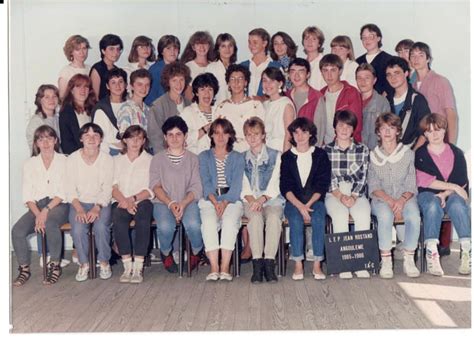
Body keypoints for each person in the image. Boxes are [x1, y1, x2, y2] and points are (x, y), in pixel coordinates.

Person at [12, 126, 69, 286]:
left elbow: (63, 192)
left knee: (50, 223)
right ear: (36, 143)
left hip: (59, 204)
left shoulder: (64, 160)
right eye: (41, 139)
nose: (45, 142)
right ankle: (24, 269)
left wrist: (45, 212)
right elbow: (28, 195)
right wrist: (38, 214)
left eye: (49, 138)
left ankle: (55, 266)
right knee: (17, 231)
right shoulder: (29, 164)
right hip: (37, 207)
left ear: (55, 141)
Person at [415, 113, 471, 276]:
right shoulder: (420, 154)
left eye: (438, 130)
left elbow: (462, 182)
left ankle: (467, 251)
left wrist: (445, 194)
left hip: (450, 194)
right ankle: (432, 253)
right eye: (430, 131)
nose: (435, 134)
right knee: (432, 206)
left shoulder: (457, 153)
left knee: (458, 204)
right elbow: (426, 181)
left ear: (444, 131)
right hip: (427, 194)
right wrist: (452, 187)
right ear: (425, 134)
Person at [368, 113, 421, 278]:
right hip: (382, 198)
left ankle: (409, 258)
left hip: (405, 197)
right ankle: (386, 261)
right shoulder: (373, 155)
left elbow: (411, 183)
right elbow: (374, 185)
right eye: (383, 128)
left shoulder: (407, 153)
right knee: (384, 216)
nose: (387, 132)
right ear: (378, 132)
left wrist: (401, 201)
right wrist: (390, 201)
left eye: (391, 128)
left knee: (414, 216)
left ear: (398, 131)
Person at [150, 116, 204, 273]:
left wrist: (183, 203)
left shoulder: (193, 159)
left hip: (188, 202)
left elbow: (196, 186)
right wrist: (171, 203)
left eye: (178, 134)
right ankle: (166, 252)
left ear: (185, 136)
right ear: (165, 137)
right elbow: (155, 186)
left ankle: (196, 251)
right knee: (166, 226)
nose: (174, 138)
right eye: (170, 134)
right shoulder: (157, 159)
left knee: (194, 225)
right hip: (163, 203)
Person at [280, 117, 331, 280]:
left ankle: (317, 264)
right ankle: (298, 264)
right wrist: (299, 206)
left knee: (318, 219)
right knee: (295, 220)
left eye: (304, 132)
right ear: (292, 135)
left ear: (311, 134)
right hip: (293, 201)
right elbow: (285, 186)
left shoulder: (320, 155)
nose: (300, 136)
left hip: (314, 201)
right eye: (296, 132)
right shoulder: (287, 157)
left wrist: (307, 205)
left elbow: (322, 184)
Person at [324, 110, 371, 279]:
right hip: (333, 193)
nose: (344, 129)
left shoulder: (362, 150)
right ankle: (342, 264)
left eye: (348, 126)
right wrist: (339, 195)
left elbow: (363, 176)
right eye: (340, 125)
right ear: (334, 127)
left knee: (363, 215)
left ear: (353, 129)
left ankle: (360, 264)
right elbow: (325, 177)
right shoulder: (325, 150)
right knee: (339, 215)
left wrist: (353, 196)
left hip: (356, 193)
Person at [66, 123, 114, 282]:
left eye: (96, 135)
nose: (91, 139)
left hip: (101, 203)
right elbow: (69, 188)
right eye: (87, 135)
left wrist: (97, 207)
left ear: (101, 139)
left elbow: (107, 188)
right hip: (78, 203)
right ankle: (84, 263)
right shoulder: (72, 159)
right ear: (81, 138)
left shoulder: (107, 159)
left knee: (101, 227)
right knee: (78, 228)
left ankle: (104, 261)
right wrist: (79, 209)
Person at [198, 118, 244, 281]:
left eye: (224, 132)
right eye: (216, 132)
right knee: (209, 222)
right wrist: (215, 201)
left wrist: (224, 202)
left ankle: (225, 267)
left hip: (231, 199)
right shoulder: (203, 156)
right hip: (210, 199)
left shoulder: (238, 157)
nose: (220, 137)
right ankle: (214, 267)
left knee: (230, 222)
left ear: (230, 135)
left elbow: (237, 185)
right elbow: (205, 181)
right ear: (211, 135)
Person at [242, 117, 284, 283]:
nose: (252, 138)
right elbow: (243, 184)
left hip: (271, 199)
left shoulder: (276, 156)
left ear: (263, 135)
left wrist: (262, 199)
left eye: (256, 134)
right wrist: (253, 201)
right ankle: (257, 264)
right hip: (250, 201)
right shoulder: (241, 157)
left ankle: (269, 262)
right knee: (255, 219)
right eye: (249, 134)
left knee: (274, 218)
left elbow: (276, 182)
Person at [112, 125, 153, 283]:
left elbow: (151, 188)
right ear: (124, 140)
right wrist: (124, 200)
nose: (135, 142)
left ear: (143, 141)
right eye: (131, 138)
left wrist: (133, 199)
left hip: (142, 200)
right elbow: (113, 186)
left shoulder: (150, 160)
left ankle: (138, 267)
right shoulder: (116, 161)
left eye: (139, 138)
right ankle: (127, 265)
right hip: (121, 200)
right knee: (118, 217)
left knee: (143, 219)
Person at [410, 42, 458, 143]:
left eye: (421, 55)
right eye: (413, 55)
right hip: (420, 138)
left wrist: (452, 145)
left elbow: (451, 114)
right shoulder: (411, 86)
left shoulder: (440, 81)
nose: (416, 59)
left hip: (438, 137)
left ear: (428, 59)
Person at [215, 64, 265, 152]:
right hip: (228, 152)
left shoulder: (256, 105)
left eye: (240, 79)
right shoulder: (221, 107)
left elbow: (263, 133)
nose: (236, 82)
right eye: (232, 79)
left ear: (246, 82)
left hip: (252, 150)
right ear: (228, 83)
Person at [385, 56, 430, 149]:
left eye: (396, 73)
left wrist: (413, 154)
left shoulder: (418, 100)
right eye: (389, 74)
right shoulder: (385, 100)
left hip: (411, 154)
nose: (392, 78)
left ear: (406, 73)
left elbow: (426, 131)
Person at [147, 61, 192, 153]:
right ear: (168, 82)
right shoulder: (158, 106)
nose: (178, 84)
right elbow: (156, 139)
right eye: (174, 80)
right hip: (166, 156)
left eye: (181, 80)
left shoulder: (189, 104)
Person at [319, 54, 363, 144]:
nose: (329, 75)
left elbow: (355, 125)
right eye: (325, 70)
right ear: (321, 72)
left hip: (346, 145)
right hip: (325, 145)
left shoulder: (351, 92)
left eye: (333, 70)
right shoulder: (320, 94)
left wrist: (336, 144)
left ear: (340, 71)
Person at [285, 58, 326, 146]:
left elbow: (319, 130)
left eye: (301, 71)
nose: (296, 76)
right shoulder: (286, 97)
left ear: (308, 74)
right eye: (292, 71)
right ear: (288, 74)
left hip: (309, 149)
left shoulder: (316, 97)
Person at [180, 72, 220, 154]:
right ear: (196, 93)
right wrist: (204, 129)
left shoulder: (219, 111)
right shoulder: (187, 112)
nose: (207, 93)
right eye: (202, 89)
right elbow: (182, 140)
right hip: (194, 160)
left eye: (210, 89)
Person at [91, 68, 127, 155]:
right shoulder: (101, 109)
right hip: (109, 152)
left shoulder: (130, 105)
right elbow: (99, 138)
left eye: (121, 82)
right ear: (107, 86)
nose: (117, 86)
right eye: (113, 82)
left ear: (126, 85)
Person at [59, 74, 97, 155]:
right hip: (76, 157)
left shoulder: (94, 109)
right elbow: (66, 143)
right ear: (71, 90)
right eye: (78, 86)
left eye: (86, 87)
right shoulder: (66, 112)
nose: (83, 90)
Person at [356, 63, 391, 150]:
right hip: (354, 151)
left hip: (374, 151)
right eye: (359, 78)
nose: (362, 82)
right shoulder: (352, 100)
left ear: (374, 80)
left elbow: (386, 132)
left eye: (367, 78)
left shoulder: (382, 103)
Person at [261, 67, 295, 152]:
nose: (267, 85)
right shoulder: (264, 105)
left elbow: (289, 135)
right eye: (265, 81)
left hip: (280, 150)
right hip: (266, 151)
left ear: (280, 84)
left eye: (272, 81)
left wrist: (285, 159)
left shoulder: (286, 104)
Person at [240, 28, 281, 99]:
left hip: (267, 107)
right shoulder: (242, 66)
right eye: (249, 42)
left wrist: (263, 98)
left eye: (255, 42)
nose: (251, 45)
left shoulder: (276, 66)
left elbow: (280, 92)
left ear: (264, 43)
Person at [356, 23, 392, 96]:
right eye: (364, 37)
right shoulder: (358, 61)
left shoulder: (389, 60)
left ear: (379, 38)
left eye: (371, 36)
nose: (367, 40)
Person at [145, 35, 181, 106]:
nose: (172, 52)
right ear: (162, 51)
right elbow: (150, 98)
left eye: (175, 48)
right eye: (168, 48)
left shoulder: (182, 68)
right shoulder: (155, 70)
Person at [117, 69, 151, 136]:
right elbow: (124, 136)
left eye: (147, 85)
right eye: (139, 84)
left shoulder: (148, 109)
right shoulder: (126, 109)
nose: (144, 88)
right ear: (131, 86)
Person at [26, 84, 61, 151]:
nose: (52, 100)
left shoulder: (58, 118)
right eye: (47, 97)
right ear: (40, 100)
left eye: (54, 96)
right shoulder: (37, 121)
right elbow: (38, 149)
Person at [181, 31, 215, 100]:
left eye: (205, 43)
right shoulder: (187, 67)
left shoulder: (214, 66)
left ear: (209, 46)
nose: (202, 47)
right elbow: (188, 94)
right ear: (193, 47)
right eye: (198, 44)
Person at [206, 33, 238, 105]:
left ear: (234, 48)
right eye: (223, 46)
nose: (227, 49)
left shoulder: (237, 68)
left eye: (230, 45)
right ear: (218, 49)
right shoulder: (211, 68)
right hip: (217, 109)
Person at [90, 34, 123, 100]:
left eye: (118, 49)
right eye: (111, 49)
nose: (116, 52)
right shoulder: (97, 69)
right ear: (103, 51)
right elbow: (94, 98)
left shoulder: (117, 70)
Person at [58, 35, 91, 99]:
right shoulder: (66, 72)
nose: (82, 52)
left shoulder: (90, 69)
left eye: (84, 48)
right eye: (77, 49)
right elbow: (62, 98)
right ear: (71, 52)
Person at [302, 26, 326, 91]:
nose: (309, 42)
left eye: (314, 39)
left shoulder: (324, 63)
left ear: (319, 44)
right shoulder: (301, 63)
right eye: (307, 38)